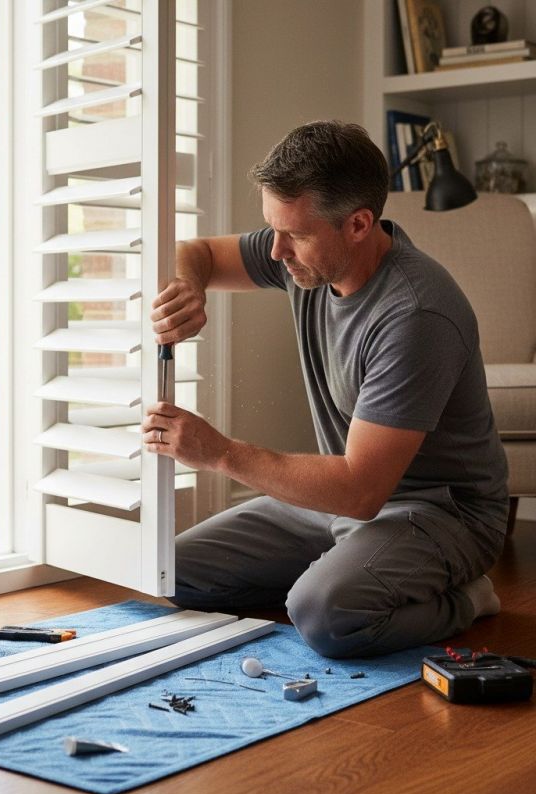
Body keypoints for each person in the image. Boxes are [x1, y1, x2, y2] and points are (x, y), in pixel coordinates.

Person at [141, 120, 509, 659]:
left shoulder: (415, 313)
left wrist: (220, 453)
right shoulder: (305, 259)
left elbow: (362, 490)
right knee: (169, 571)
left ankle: (465, 598)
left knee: (323, 616)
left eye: (296, 235)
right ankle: (343, 575)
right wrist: (189, 287)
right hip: (339, 503)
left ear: (359, 224)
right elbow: (195, 250)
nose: (275, 251)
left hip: (439, 514)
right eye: (273, 228)